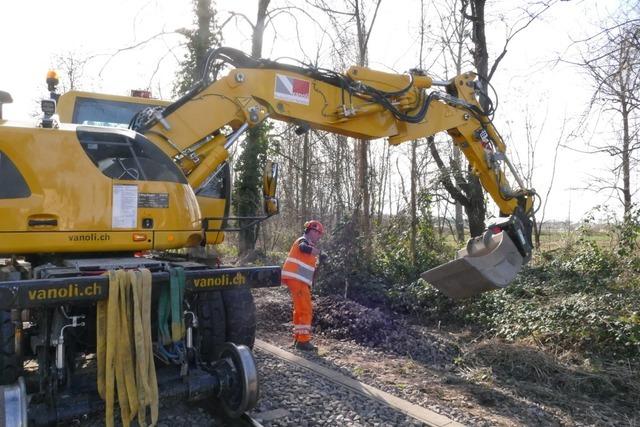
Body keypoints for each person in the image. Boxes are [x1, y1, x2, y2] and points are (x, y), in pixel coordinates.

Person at [281, 220, 324, 351]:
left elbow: (310, 271)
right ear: (311, 231)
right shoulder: (303, 241)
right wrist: (317, 252)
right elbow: (302, 248)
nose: (319, 236)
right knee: (306, 309)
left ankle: (299, 338)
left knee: (300, 310)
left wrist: (320, 261)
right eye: (318, 233)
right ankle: (303, 341)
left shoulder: (309, 245)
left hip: (299, 281)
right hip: (296, 280)